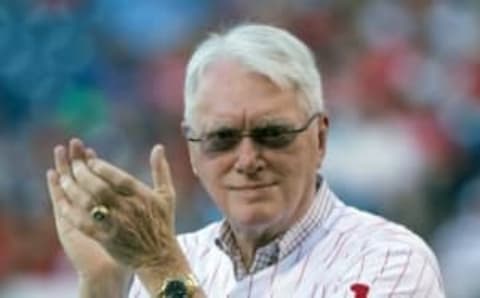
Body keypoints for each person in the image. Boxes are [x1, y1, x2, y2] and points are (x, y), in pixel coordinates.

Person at [46, 24, 445, 298]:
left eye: (273, 134)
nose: (248, 158)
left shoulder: (391, 258)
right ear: (192, 151)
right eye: (222, 138)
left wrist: (159, 266)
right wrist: (103, 283)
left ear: (320, 138)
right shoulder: (185, 254)